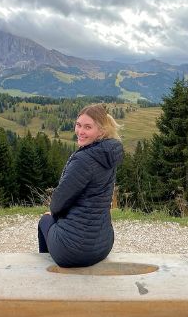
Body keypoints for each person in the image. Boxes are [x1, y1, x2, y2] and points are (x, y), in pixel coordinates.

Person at [38, 104, 124, 268]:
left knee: (45, 219)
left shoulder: (84, 160)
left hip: (73, 252)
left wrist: (53, 214)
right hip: (103, 246)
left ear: (101, 131)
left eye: (87, 127)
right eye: (78, 125)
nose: (80, 131)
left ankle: (47, 273)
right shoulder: (108, 154)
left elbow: (58, 202)